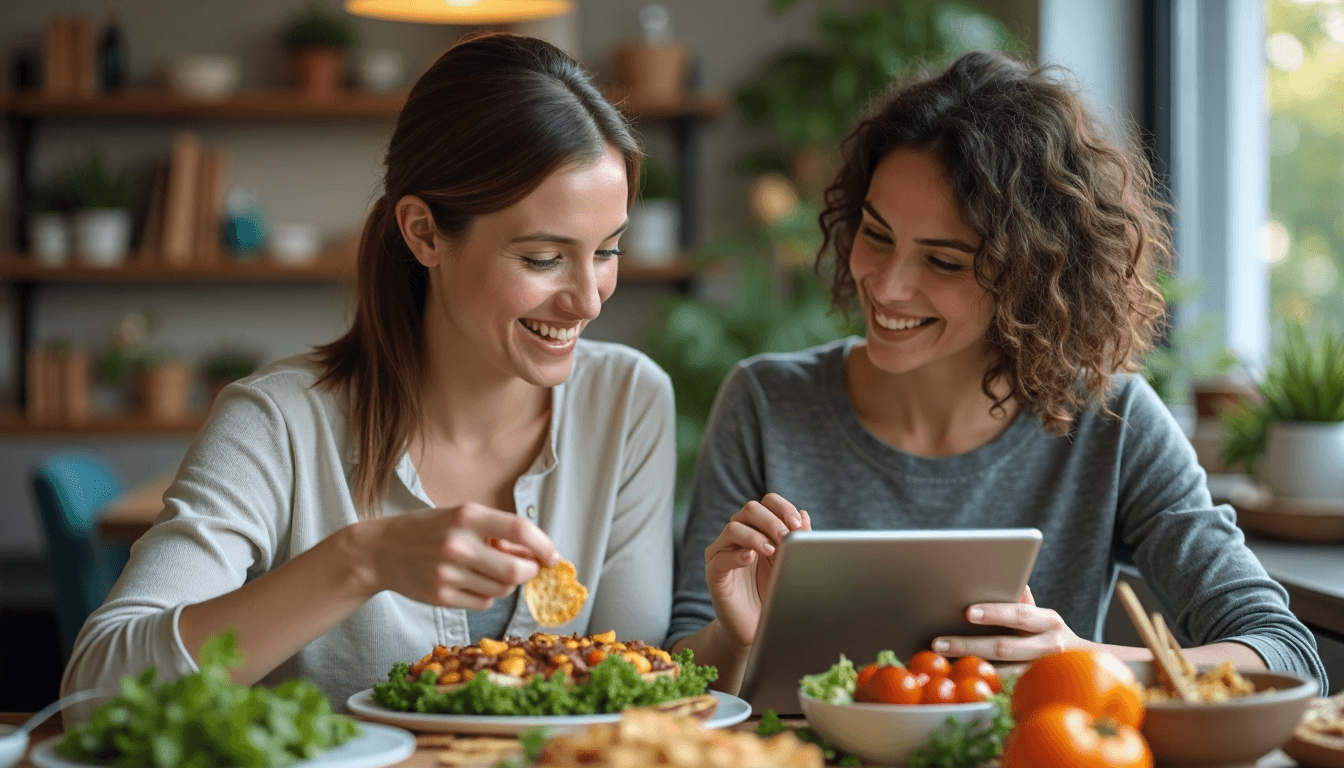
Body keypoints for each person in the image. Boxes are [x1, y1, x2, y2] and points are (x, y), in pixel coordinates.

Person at [668, 50, 1327, 695]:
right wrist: (736, 637)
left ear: (1032, 275)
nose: (889, 286)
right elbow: (675, 675)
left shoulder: (1113, 423)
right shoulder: (765, 402)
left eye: (944, 262)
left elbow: (1287, 655)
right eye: (876, 234)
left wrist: (1081, 659)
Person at [63, 33, 676, 709]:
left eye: (608, 251)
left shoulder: (629, 399)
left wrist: (739, 635)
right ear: (424, 233)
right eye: (542, 259)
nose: (588, 300)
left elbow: (641, 679)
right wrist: (360, 561)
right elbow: (94, 693)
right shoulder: (277, 422)